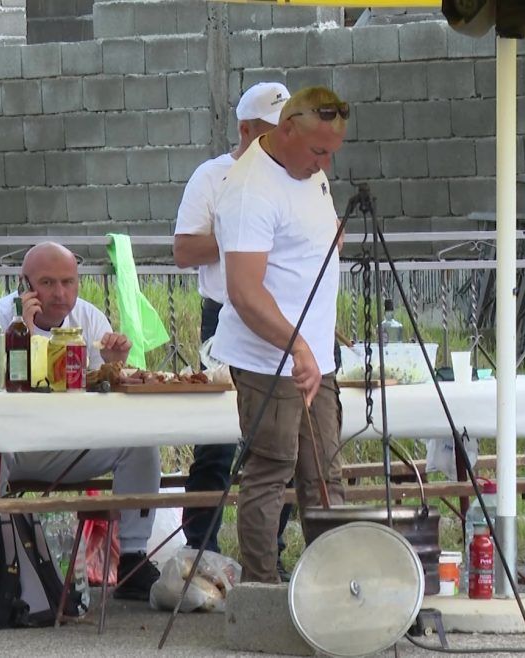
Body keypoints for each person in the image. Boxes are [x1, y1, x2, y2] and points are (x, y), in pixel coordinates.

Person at [0, 242, 162, 600]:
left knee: (141, 443)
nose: (60, 294)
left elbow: (100, 399)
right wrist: (26, 332)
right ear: (24, 284)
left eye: (68, 282)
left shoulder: (90, 319)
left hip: (66, 443)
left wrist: (112, 366)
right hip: (9, 443)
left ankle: (133, 558)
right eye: (47, 283)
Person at [211, 86, 349, 583]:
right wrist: (299, 346)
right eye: (318, 152)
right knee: (270, 471)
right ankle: (262, 587)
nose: (325, 165)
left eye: (331, 154)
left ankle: (332, 586)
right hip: (269, 359)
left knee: (325, 475)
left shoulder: (307, 169)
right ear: (286, 129)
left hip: (314, 356)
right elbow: (245, 292)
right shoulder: (251, 189)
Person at [172, 81, 297, 574]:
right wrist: (240, 235)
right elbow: (184, 250)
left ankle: (269, 554)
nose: (284, 140)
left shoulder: (297, 178)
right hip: (224, 315)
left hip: (279, 317)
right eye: (273, 131)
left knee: (280, 441)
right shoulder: (212, 176)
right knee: (218, 439)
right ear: (245, 130)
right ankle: (201, 553)